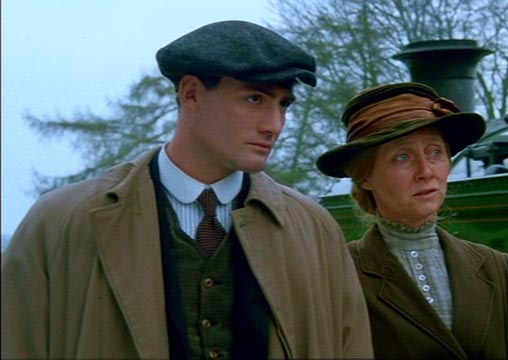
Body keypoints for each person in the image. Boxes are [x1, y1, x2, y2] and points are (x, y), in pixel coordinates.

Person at [2, 21, 373, 359]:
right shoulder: (62, 220)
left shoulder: (314, 229)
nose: (274, 125)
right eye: (255, 99)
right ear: (191, 94)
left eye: (284, 104)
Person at [316, 82, 508, 359]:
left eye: (435, 152)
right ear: (365, 177)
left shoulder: (497, 270)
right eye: (403, 157)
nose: (426, 171)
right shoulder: (339, 275)